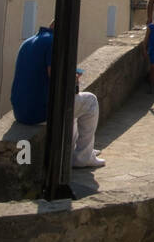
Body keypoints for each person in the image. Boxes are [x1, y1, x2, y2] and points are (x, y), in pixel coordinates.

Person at [9, 24, 104, 166]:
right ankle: (83, 157)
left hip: (20, 112)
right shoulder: (53, 42)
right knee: (90, 101)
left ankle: (74, 152)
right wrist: (73, 78)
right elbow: (56, 78)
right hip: (39, 112)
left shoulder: (28, 42)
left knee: (72, 106)